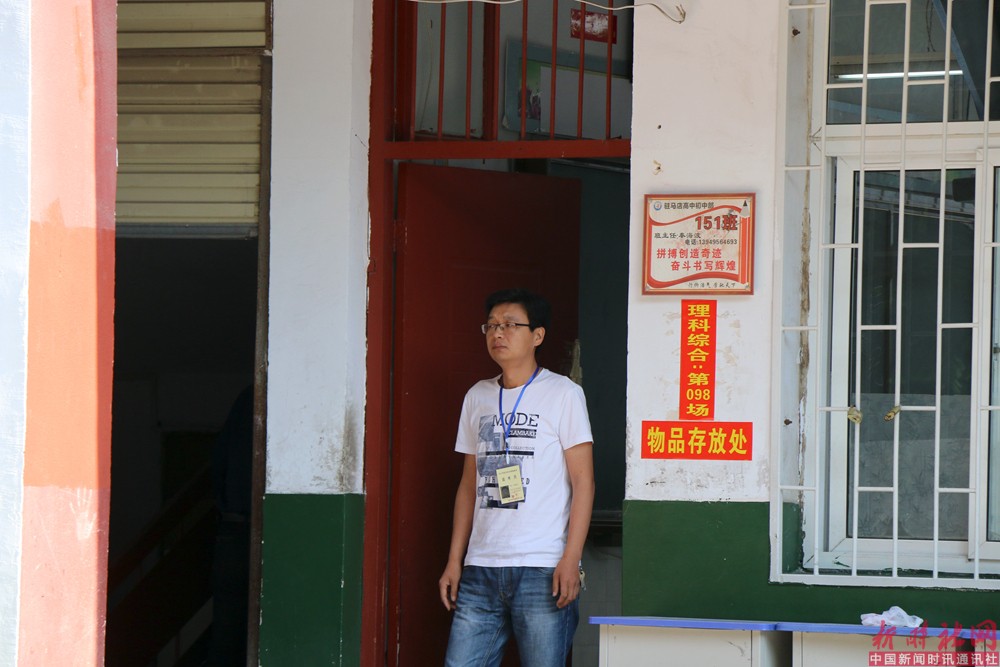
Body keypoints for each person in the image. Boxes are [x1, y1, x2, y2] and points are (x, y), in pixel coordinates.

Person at [438, 288, 595, 667]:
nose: (498, 333)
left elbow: (583, 483)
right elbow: (468, 486)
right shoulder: (477, 396)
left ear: (537, 335)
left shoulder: (563, 393)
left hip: (542, 566)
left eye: (510, 325)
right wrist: (455, 560)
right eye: (491, 325)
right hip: (481, 567)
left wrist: (571, 558)